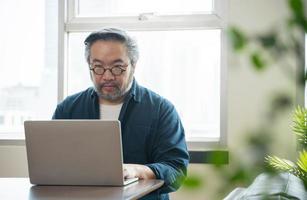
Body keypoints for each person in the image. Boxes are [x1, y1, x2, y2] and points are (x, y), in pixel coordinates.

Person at [52, 27, 189, 199]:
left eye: (117, 68)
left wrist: (138, 170)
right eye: (98, 67)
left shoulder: (161, 110)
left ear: (133, 65)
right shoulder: (68, 109)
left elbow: (177, 171)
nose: (107, 76)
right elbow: (53, 166)